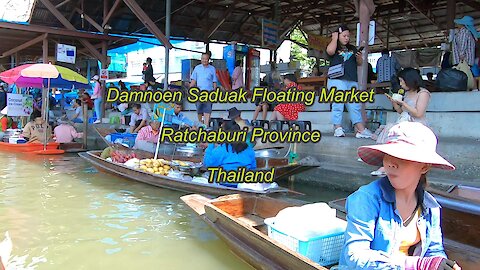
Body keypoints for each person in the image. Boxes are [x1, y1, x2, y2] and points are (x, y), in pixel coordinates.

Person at [341, 122, 461, 270]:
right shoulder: (366, 198)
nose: (391, 163)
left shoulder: (430, 207)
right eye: (389, 155)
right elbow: (356, 256)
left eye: (403, 157)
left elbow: (434, 251)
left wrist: (439, 264)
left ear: (424, 167)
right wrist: (417, 265)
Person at [371, 68, 431, 177]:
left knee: (392, 129)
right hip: (405, 121)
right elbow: (401, 111)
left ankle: (386, 165)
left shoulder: (423, 93)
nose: (401, 84)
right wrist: (394, 103)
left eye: (402, 81)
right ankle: (385, 162)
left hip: (416, 124)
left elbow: (418, 113)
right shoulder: (407, 93)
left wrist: (403, 102)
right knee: (390, 127)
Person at [326, 24, 373, 138]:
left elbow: (360, 63)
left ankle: (361, 130)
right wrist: (334, 38)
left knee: (354, 105)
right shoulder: (334, 46)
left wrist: (358, 57)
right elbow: (330, 51)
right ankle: (337, 128)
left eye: (348, 36)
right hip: (337, 79)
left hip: (351, 80)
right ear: (338, 35)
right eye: (344, 35)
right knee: (338, 104)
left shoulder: (352, 48)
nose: (347, 38)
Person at [202, 121, 256, 188]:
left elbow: (208, 164)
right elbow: (253, 168)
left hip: (223, 185)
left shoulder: (220, 150)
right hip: (243, 185)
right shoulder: (249, 149)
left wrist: (210, 145)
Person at [190, 52, 218, 126]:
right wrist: (190, 89)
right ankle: (200, 123)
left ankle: (206, 125)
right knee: (199, 109)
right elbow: (193, 80)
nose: (204, 60)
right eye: (203, 59)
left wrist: (214, 91)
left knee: (207, 109)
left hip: (209, 92)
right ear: (201, 59)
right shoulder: (197, 68)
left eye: (206, 59)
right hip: (199, 92)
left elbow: (214, 81)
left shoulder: (212, 69)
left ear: (208, 60)